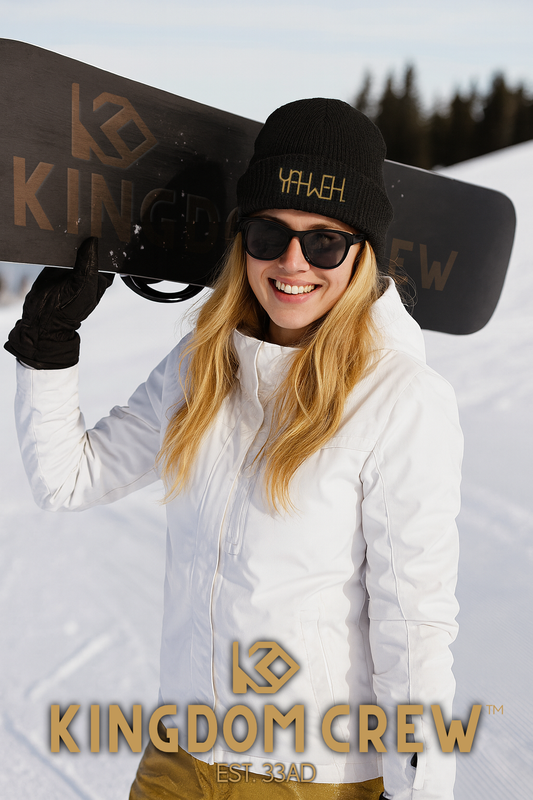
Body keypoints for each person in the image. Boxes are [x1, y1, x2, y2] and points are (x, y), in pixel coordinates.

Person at [5, 99, 462, 799]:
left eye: (324, 244)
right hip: (176, 759)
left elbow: (414, 621)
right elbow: (69, 480)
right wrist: (48, 350)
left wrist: (421, 789)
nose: (292, 263)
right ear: (240, 237)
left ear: (361, 253)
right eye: (268, 234)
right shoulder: (204, 364)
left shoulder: (400, 399)